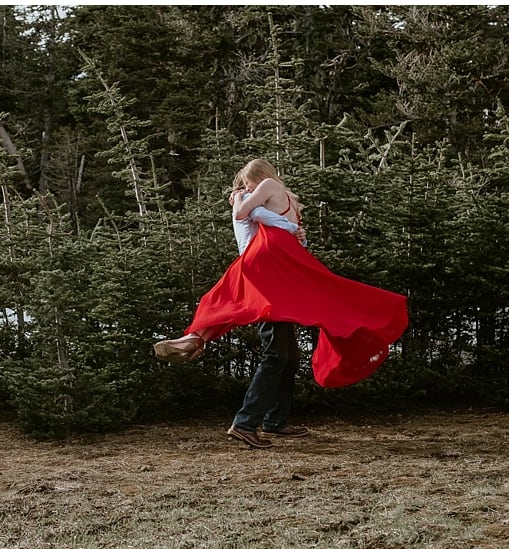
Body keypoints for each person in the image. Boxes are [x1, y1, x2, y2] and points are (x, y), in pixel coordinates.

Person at [152, 157, 409, 448]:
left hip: (275, 266)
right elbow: (249, 216)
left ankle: (274, 420)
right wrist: (282, 223)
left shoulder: (269, 189)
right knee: (273, 349)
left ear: (259, 178)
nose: (248, 190)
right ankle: (244, 422)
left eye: (249, 184)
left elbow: (249, 214)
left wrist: (265, 214)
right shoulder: (278, 196)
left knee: (285, 354)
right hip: (269, 268)